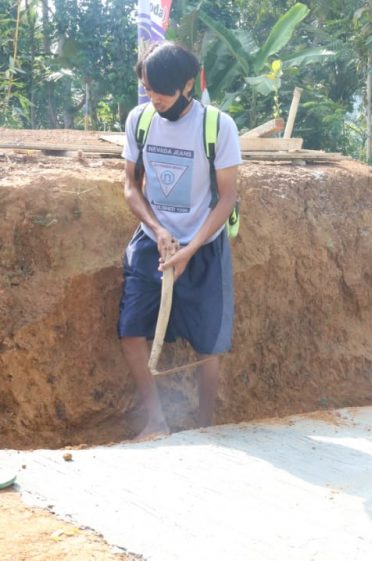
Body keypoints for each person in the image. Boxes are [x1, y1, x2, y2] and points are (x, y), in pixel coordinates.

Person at [119, 42, 241, 438]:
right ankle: (157, 421)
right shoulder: (140, 119)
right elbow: (130, 187)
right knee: (131, 328)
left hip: (204, 246)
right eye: (148, 89)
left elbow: (226, 200)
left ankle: (205, 428)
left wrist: (189, 249)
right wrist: (159, 231)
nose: (155, 99)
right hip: (154, 239)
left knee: (209, 343)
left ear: (187, 85)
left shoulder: (218, 127)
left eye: (163, 93)